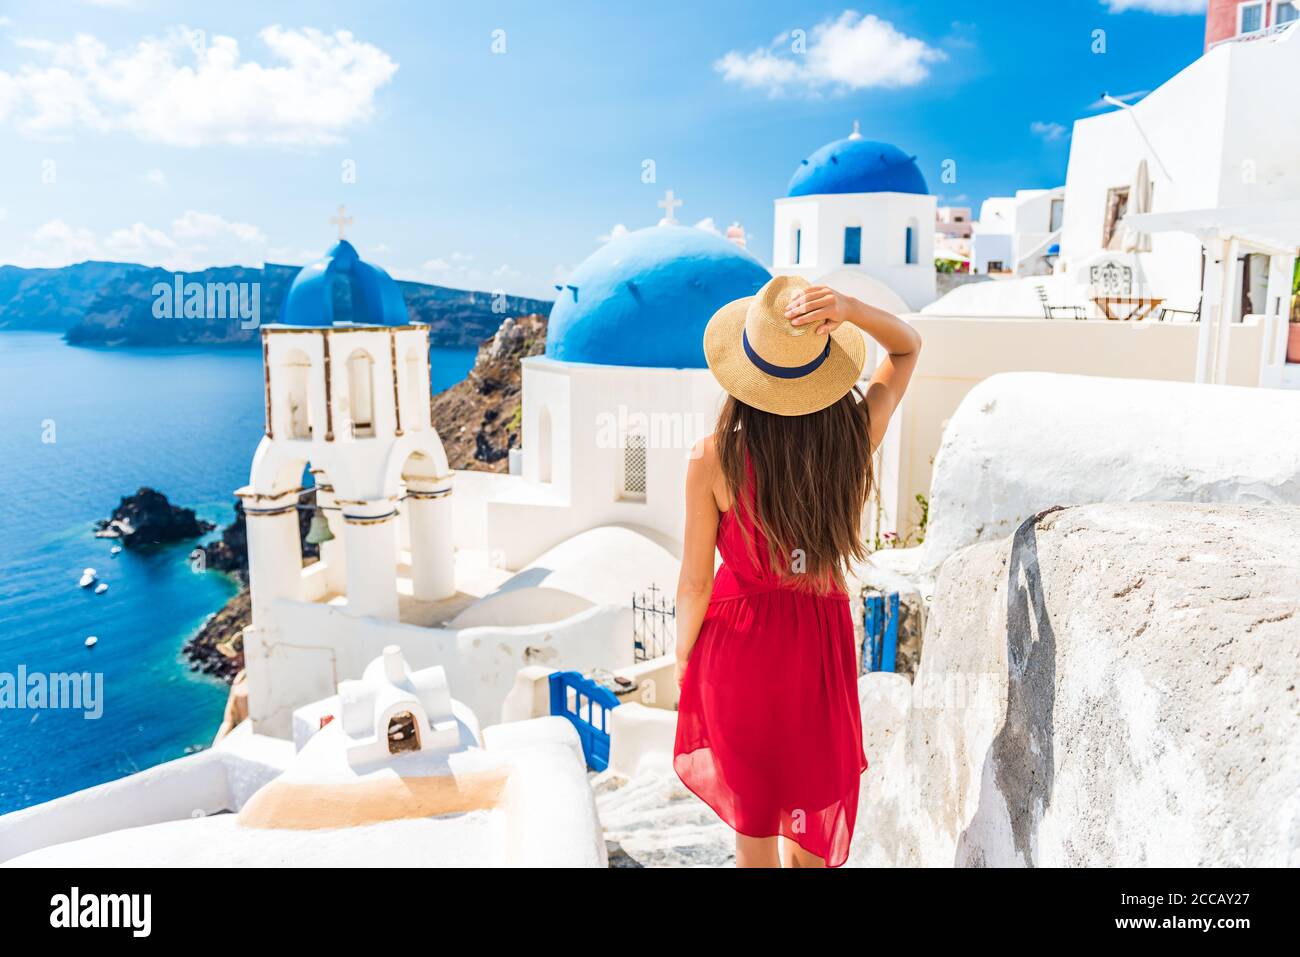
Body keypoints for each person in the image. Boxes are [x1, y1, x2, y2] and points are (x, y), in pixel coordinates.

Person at [673, 275, 921, 868]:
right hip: (818, 646)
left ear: (744, 373)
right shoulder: (853, 437)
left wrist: (686, 659)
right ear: (826, 365)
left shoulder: (713, 458)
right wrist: (852, 308)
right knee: (811, 816)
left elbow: (694, 583)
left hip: (737, 648)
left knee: (753, 831)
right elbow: (908, 348)